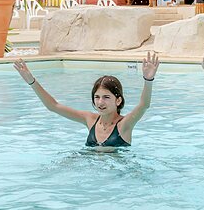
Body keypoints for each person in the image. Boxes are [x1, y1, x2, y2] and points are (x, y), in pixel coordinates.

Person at [12, 53, 159, 147]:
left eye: (106, 97)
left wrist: (148, 79)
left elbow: (144, 105)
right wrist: (31, 81)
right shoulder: (89, 119)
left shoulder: (124, 125)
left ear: (118, 101)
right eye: (97, 97)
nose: (100, 102)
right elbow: (53, 106)